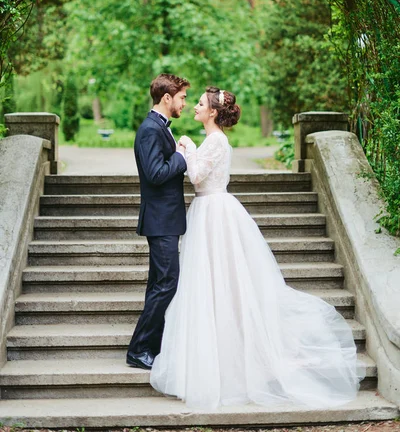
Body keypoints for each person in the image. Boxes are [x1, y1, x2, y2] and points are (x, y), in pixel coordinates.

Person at [150, 86, 365, 410]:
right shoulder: (214, 140)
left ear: (212, 112)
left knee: (224, 286)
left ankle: (233, 364)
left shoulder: (216, 141)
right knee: (209, 287)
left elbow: (195, 176)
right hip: (209, 212)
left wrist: (188, 148)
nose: (194, 107)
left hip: (215, 215)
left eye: (200, 104)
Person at [126, 73, 190, 370]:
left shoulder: (157, 128)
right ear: (167, 97)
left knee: (159, 284)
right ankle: (139, 349)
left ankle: (150, 346)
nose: (184, 103)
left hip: (165, 220)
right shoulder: (151, 130)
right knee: (167, 283)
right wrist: (180, 157)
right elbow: (156, 174)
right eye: (182, 97)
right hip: (160, 221)